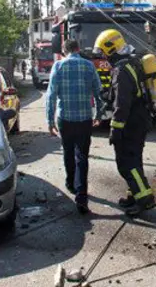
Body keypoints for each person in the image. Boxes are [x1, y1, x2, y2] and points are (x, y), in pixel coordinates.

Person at [93, 29, 156, 216]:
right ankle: (134, 194)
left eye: (104, 52)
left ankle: (145, 200)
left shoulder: (121, 70)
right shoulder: (133, 62)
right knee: (135, 160)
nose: (103, 56)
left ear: (111, 49)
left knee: (126, 163)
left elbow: (122, 103)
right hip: (140, 119)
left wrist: (115, 128)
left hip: (130, 123)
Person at [45, 38, 103, 214]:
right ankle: (82, 195)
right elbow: (98, 92)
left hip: (65, 119)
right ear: (78, 49)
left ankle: (71, 183)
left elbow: (51, 96)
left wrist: (49, 120)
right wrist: (98, 114)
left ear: (64, 50)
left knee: (68, 152)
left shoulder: (58, 66)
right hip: (84, 119)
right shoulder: (89, 65)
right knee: (82, 156)